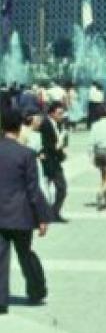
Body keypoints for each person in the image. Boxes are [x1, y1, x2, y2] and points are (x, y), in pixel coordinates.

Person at [0, 109, 51, 313]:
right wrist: (42, 217)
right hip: (21, 214)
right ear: (19, 127)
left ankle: (1, 301)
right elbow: (33, 189)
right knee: (26, 255)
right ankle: (36, 290)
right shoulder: (26, 154)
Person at [39, 102, 69, 223]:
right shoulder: (45, 124)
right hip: (48, 161)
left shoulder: (58, 123)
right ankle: (51, 213)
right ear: (51, 113)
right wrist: (57, 147)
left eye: (62, 113)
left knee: (59, 188)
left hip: (55, 161)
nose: (61, 115)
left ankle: (52, 213)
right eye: (59, 113)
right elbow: (45, 143)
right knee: (59, 188)